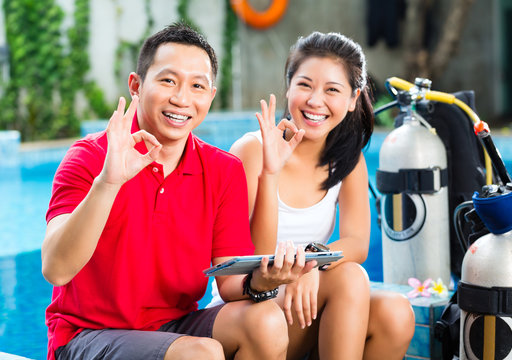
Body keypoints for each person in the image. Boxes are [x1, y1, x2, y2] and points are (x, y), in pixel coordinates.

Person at [41, 23, 315, 360]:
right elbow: (56, 269)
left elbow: (230, 285)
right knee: (201, 354)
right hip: (88, 335)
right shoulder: (90, 156)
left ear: (210, 96)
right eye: (168, 80)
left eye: (197, 86)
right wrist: (108, 182)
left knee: (266, 320)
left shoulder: (223, 170)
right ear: (136, 85)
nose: (182, 99)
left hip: (174, 326)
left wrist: (264, 281)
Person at [209, 31, 416, 359]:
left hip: (299, 302)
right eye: (304, 85)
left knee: (396, 313)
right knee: (349, 278)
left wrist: (311, 266)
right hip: (247, 308)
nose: (315, 101)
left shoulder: (348, 159)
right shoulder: (252, 151)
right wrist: (270, 173)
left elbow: (357, 243)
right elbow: (252, 260)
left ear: (352, 99)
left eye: (332, 90)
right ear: (289, 87)